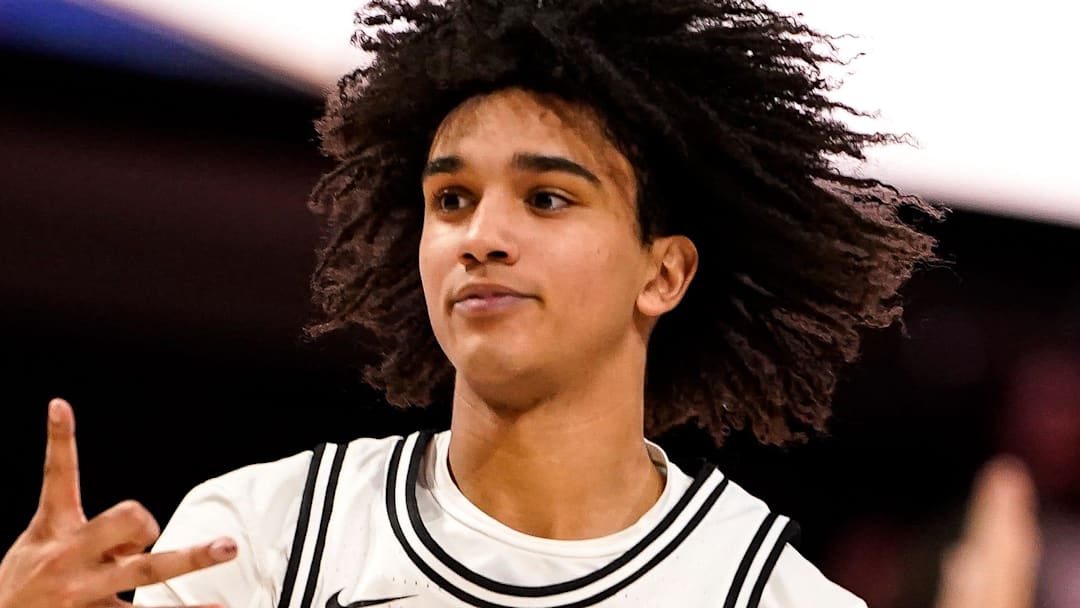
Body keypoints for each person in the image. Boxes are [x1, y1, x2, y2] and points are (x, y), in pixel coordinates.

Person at [0, 0, 943, 606]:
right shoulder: (257, 537)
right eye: (450, 199)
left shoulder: (768, 598)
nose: (479, 236)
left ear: (664, 273)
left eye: (547, 198)